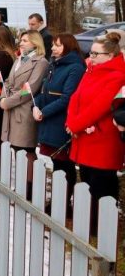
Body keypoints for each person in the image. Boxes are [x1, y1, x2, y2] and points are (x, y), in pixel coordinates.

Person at [66, 32, 125, 230]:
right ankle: (89, 221)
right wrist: (71, 121)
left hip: (102, 138)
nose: (90, 57)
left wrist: (76, 125)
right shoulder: (90, 70)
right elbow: (76, 97)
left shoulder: (117, 76)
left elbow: (101, 106)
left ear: (110, 56)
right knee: (87, 178)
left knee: (102, 183)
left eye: (96, 54)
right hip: (84, 134)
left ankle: (103, 226)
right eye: (90, 53)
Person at [33, 33, 85, 215]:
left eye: (57, 45)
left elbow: (67, 98)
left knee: (64, 163)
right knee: (56, 162)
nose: (53, 48)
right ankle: (57, 200)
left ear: (68, 47)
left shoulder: (75, 67)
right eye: (53, 45)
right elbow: (44, 90)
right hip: (48, 118)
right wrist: (36, 106)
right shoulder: (54, 64)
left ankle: (63, 204)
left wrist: (45, 112)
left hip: (60, 120)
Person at [0, 30, 49, 198]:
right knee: (16, 148)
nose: (21, 43)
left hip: (24, 111)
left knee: (26, 149)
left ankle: (30, 189)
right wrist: (3, 97)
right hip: (11, 109)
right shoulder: (20, 59)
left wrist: (9, 101)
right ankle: (22, 185)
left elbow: (30, 89)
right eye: (21, 40)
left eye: (25, 40)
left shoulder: (40, 62)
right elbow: (7, 81)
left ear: (35, 43)